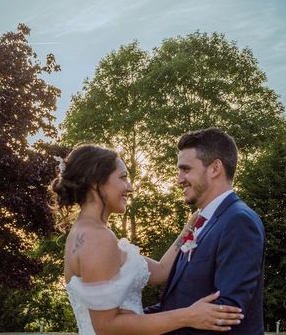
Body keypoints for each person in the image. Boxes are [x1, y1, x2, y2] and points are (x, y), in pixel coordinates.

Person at [51, 144, 244, 335]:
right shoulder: (97, 238)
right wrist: (189, 316)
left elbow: (161, 271)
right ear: (96, 182)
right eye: (123, 177)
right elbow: (106, 326)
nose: (131, 187)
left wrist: (189, 228)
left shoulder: (88, 232)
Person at [145, 127, 266, 334]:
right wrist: (123, 321)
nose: (179, 179)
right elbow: (178, 307)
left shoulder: (238, 221)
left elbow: (225, 314)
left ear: (214, 168)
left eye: (186, 169)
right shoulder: (202, 222)